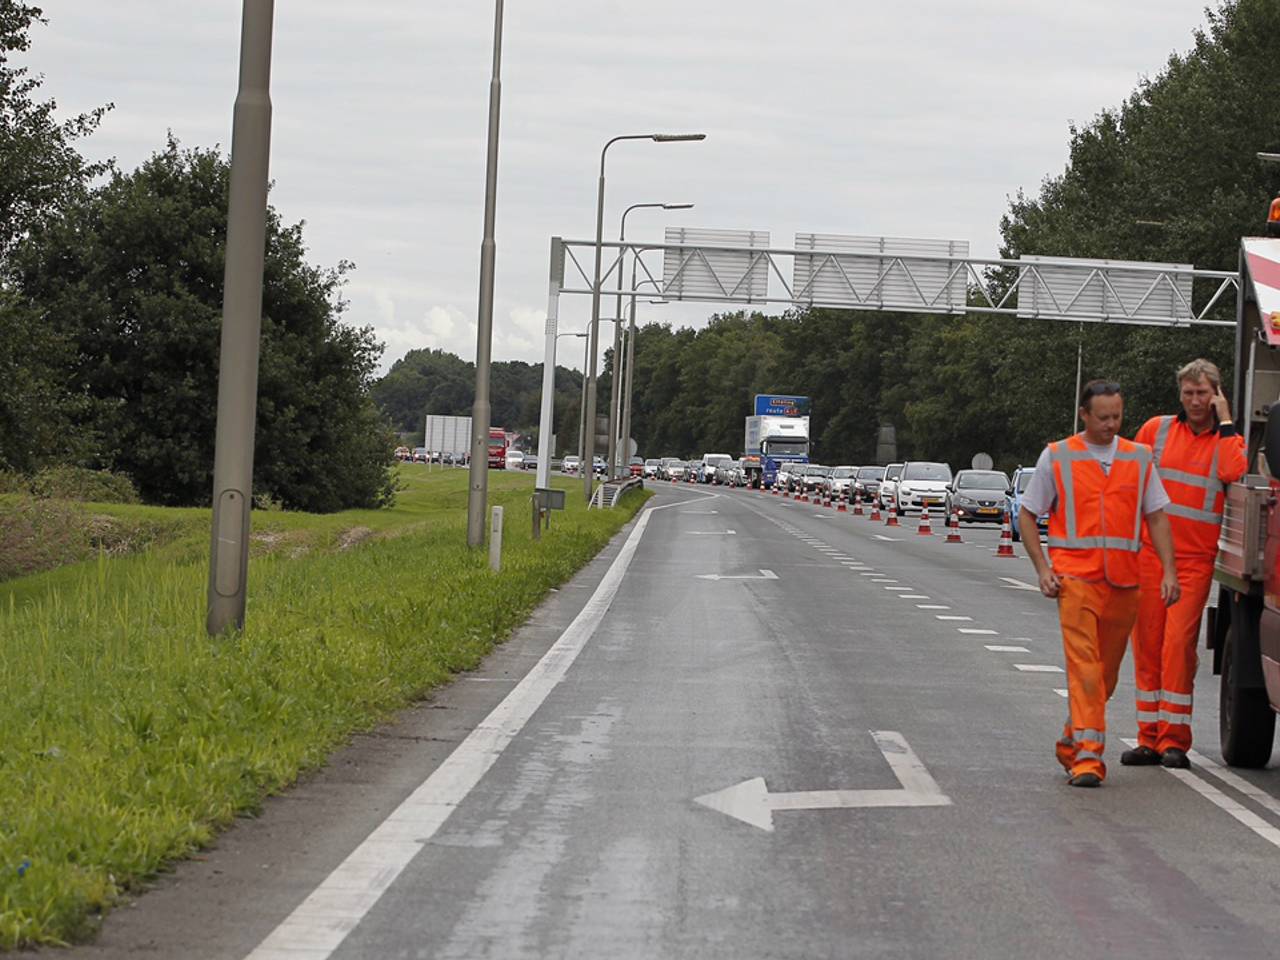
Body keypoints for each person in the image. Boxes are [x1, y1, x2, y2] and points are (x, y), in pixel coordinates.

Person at [1018, 380, 1180, 788]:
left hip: (1125, 582)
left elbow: (1157, 516)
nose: (1111, 424)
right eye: (1103, 417)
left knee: (1105, 676)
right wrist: (1043, 569)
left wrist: (1169, 571)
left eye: (1117, 416)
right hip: (1075, 580)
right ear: (1084, 414)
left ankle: (1073, 739)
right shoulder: (1057, 456)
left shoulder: (1139, 458)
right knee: (1086, 669)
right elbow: (1027, 515)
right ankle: (1089, 760)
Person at [1121, 360, 1247, 770]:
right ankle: (1148, 738)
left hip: (1193, 561)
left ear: (1217, 395)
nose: (1196, 400)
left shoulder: (1227, 439)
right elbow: (1129, 483)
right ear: (1180, 394)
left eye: (1204, 393)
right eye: (1190, 393)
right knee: (1148, 646)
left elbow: (1233, 470)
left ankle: (1175, 740)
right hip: (1149, 555)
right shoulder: (1155, 431)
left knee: (1177, 647)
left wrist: (1226, 420)